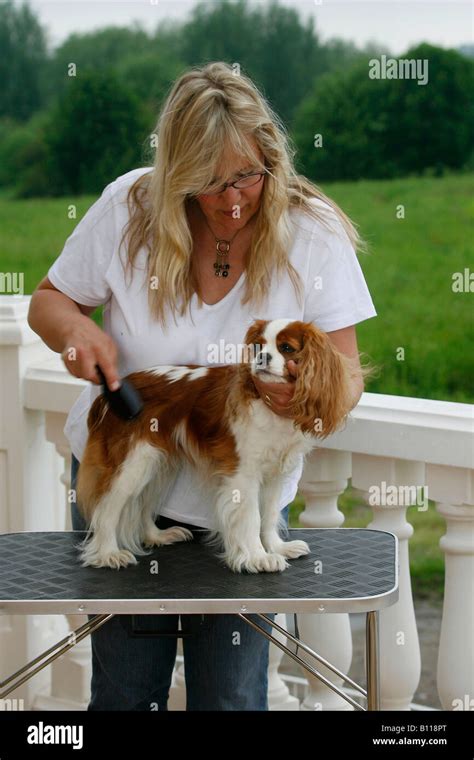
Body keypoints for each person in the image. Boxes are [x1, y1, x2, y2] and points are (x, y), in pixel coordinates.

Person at [27, 61, 377, 711]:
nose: (235, 198)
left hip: (248, 499)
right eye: (210, 183)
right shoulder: (127, 206)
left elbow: (348, 374)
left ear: (270, 157)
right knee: (127, 697)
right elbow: (49, 302)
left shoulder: (313, 230)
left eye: (247, 174)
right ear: (175, 176)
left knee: (233, 700)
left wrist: (306, 396)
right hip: (127, 466)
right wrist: (78, 334)